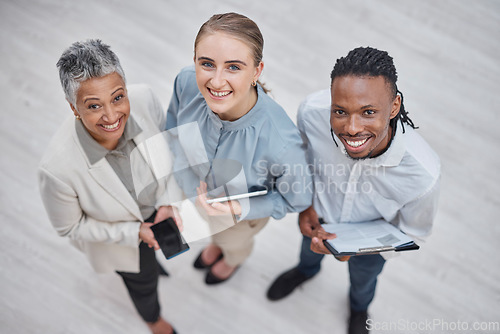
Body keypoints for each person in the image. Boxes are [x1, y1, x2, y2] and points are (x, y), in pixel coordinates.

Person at [266, 47, 441, 334]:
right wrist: (305, 206)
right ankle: (305, 271)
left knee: (363, 283)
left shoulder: (423, 174)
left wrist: (359, 250)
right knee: (308, 254)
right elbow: (299, 161)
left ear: (394, 106)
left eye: (369, 112)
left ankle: (359, 309)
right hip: (317, 218)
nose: (352, 128)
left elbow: (415, 231)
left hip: (371, 249)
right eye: (340, 112)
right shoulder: (312, 113)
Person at [38, 39, 181, 334]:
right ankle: (153, 320)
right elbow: (69, 228)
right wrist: (133, 233)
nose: (112, 115)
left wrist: (167, 201)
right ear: (74, 108)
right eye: (93, 106)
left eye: (117, 98)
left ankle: (160, 257)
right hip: (122, 238)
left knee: (168, 247)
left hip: (158, 208)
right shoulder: (56, 170)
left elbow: (166, 146)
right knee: (143, 283)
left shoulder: (144, 98)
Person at [166, 12, 312, 284]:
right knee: (214, 235)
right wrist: (177, 175)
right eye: (207, 64)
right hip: (193, 194)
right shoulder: (185, 82)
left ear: (256, 71)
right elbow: (172, 124)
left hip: (239, 221)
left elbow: (297, 199)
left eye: (233, 67)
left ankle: (233, 258)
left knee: (231, 242)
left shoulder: (283, 144)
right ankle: (216, 246)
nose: (217, 81)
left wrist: (241, 208)